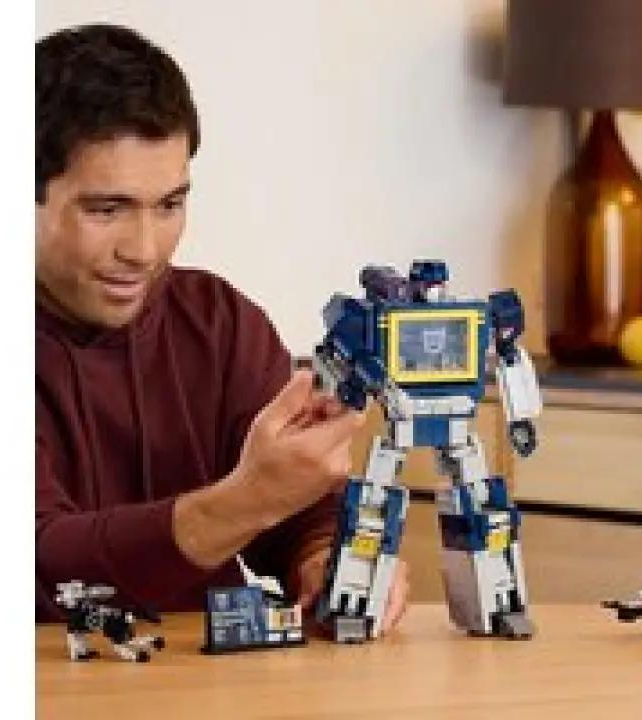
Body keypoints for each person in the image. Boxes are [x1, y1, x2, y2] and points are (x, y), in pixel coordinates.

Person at [35, 23, 409, 629]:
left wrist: (325, 560)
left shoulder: (217, 321)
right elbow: (40, 567)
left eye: (170, 205)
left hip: (209, 672)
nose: (144, 250)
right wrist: (246, 501)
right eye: (106, 209)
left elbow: (300, 511)